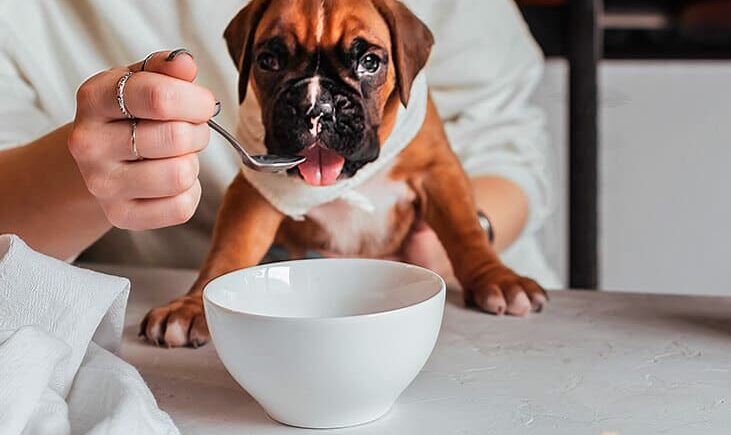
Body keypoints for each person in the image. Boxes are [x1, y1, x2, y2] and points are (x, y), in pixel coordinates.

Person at [0, 0, 562, 289]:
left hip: (443, 303)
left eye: (366, 63)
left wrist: (466, 244)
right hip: (184, 332)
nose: (318, 106)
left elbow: (505, 133)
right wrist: (81, 174)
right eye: (270, 60)